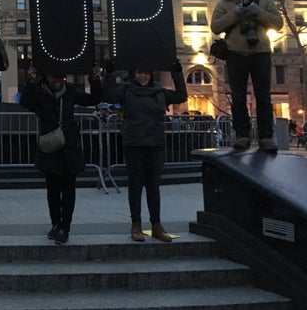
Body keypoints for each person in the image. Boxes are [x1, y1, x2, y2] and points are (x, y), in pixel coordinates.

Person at [103, 62, 187, 243]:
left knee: (153, 186)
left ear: (151, 75)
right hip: (134, 143)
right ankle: (136, 224)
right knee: (135, 185)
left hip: (155, 143)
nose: (143, 76)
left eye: (146, 73)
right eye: (140, 72)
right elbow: (107, 96)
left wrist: (177, 73)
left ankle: (156, 225)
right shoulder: (126, 91)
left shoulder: (159, 92)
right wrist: (109, 73)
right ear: (134, 74)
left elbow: (181, 95)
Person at [19, 65, 102, 245]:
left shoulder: (70, 92)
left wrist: (94, 79)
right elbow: (25, 102)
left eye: (61, 78)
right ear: (46, 77)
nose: (58, 82)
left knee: (69, 189)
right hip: (50, 147)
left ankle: (65, 226)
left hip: (69, 147)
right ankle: (56, 223)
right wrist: (31, 81)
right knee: (53, 190)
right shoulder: (39, 94)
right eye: (54, 78)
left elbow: (94, 98)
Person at [211, 0, 283, 151]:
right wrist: (236, 14)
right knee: (238, 97)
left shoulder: (265, 1)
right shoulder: (225, 3)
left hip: (261, 54)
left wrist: (257, 13)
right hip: (236, 55)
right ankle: (242, 135)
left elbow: (278, 24)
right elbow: (216, 27)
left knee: (264, 97)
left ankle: (266, 137)